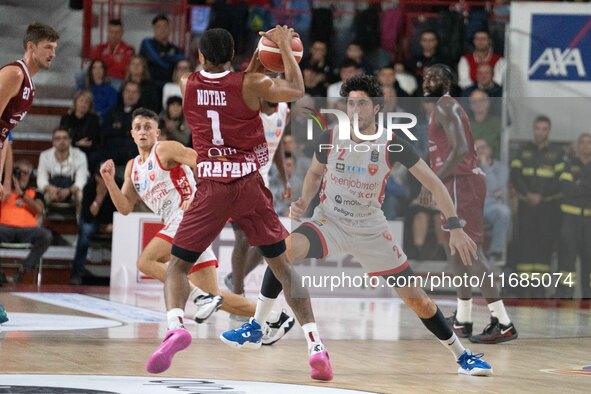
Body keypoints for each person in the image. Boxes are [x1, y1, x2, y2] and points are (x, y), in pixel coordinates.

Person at [279, 74, 493, 376]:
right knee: (281, 253)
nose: (355, 110)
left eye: (362, 104)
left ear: (376, 108)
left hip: (370, 229)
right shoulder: (330, 135)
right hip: (330, 221)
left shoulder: (392, 143)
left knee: (418, 300)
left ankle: (463, 355)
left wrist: (455, 227)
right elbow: (314, 173)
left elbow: (435, 184)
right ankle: (262, 325)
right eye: (350, 104)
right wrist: (303, 200)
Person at [148, 27, 324, 380]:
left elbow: (236, 79)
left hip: (211, 185)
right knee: (283, 268)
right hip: (247, 184)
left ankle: (176, 326)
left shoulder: (187, 83)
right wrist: (283, 48)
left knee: (178, 267)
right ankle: (316, 346)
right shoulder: (250, 85)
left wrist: (260, 54)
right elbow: (295, 89)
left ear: (200, 57)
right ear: (235, 54)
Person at [101, 108, 294, 349]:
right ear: (131, 133)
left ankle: (199, 297)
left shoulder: (165, 149)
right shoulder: (132, 167)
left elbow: (201, 160)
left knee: (145, 261)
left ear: (157, 132)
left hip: (187, 217)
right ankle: (277, 317)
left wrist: (200, 193)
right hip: (180, 225)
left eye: (147, 127)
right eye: (138, 127)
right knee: (218, 298)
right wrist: (109, 181)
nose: (142, 131)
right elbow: (125, 207)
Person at [423, 64, 517, 344]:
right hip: (457, 182)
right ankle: (463, 319)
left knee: (470, 250)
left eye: (437, 76)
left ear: (449, 83)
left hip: (460, 182)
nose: (429, 80)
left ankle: (502, 321)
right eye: (427, 76)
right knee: (456, 251)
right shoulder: (441, 108)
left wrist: (435, 181)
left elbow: (462, 149)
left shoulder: (445, 106)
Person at [226, 99, 291, 297]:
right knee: (243, 238)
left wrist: (284, 179)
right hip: (240, 180)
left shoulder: (284, 110)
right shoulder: (248, 109)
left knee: (269, 242)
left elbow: (277, 143)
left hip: (263, 184)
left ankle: (234, 278)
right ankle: (238, 295)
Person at [0, 23, 59, 198]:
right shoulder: (15, 74)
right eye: (48, 47)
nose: (53, 54)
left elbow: (3, 134)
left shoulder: (29, 85)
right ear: (31, 47)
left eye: (55, 48)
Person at [510, 115, 563, 295]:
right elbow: (515, 175)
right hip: (526, 206)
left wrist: (541, 195)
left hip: (547, 207)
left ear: (549, 131)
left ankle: (539, 289)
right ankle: (524, 288)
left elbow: (560, 180)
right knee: (524, 243)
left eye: (544, 129)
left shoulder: (557, 154)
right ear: (533, 129)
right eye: (537, 128)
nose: (540, 132)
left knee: (544, 244)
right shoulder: (522, 151)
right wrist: (527, 194)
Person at [0, 159, 52, 283]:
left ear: (30, 175)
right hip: (4, 228)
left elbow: (39, 209)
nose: (22, 176)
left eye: (25, 173)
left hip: (28, 230)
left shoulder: (35, 192)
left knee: (46, 235)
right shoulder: (4, 191)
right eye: (19, 172)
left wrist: (22, 194)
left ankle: (24, 270)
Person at [70, 163, 117, 285]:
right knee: (85, 230)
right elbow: (88, 216)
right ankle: (77, 272)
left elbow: (124, 210)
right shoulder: (89, 187)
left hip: (113, 221)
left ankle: (122, 274)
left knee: (127, 231)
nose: (108, 179)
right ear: (97, 177)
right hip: (92, 220)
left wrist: (116, 225)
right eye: (104, 176)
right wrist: (100, 197)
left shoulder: (119, 185)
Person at [556, 133, 591, 298]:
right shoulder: (568, 165)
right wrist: (584, 186)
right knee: (567, 260)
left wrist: (578, 184)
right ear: (577, 146)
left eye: (589, 143)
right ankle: (565, 294)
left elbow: (575, 188)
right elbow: (566, 189)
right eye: (582, 143)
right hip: (570, 220)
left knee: (589, 260)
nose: (585, 146)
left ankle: (588, 296)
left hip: (589, 220)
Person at [475, 139, 511, 262]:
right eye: (477, 148)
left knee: (503, 212)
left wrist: (484, 165)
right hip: (472, 205)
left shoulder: (501, 168)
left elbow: (494, 187)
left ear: (490, 149)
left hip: (491, 205)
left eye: (483, 147)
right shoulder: (469, 166)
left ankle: (496, 252)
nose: (480, 151)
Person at [37, 127, 88, 212]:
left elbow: (81, 181)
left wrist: (69, 191)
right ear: (53, 142)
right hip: (52, 188)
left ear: (70, 140)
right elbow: (41, 179)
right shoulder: (44, 155)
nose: (61, 141)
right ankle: (40, 222)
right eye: (58, 138)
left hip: (71, 189)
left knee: (81, 195)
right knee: (40, 195)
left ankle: (80, 223)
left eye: (65, 138)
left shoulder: (80, 155)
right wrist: (51, 189)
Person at [139, 14, 186, 93]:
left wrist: (165, 56)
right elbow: (159, 61)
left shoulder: (176, 49)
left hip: (170, 86)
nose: (162, 29)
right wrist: (170, 58)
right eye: (158, 27)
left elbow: (184, 59)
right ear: (154, 29)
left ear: (169, 28)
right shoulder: (147, 44)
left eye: (165, 26)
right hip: (150, 86)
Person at [59, 90, 101, 169]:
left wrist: (78, 141)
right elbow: (63, 136)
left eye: (87, 102)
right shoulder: (66, 119)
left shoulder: (94, 119)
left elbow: (94, 137)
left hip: (88, 150)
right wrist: (77, 143)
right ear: (75, 102)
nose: (83, 104)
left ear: (90, 105)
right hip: (70, 148)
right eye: (81, 101)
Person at [90, 19, 135, 90]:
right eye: (111, 32)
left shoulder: (129, 49)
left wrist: (105, 60)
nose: (114, 35)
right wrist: (113, 59)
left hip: (117, 79)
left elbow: (124, 67)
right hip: (99, 77)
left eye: (117, 32)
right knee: (80, 75)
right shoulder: (100, 48)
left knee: (115, 87)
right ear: (108, 32)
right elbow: (95, 64)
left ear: (122, 33)